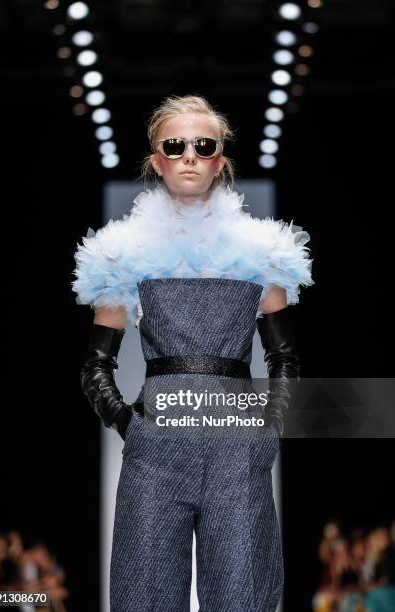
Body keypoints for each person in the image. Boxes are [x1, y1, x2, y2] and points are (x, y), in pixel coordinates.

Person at [72, 94, 314, 611]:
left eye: (203, 145)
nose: (188, 156)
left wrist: (269, 425)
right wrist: (128, 423)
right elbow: (95, 366)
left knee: (243, 598)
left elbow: (285, 358)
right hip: (156, 450)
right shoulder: (124, 250)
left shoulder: (260, 250)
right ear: (156, 159)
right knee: (145, 598)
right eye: (175, 145)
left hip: (238, 446)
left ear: (219, 159)